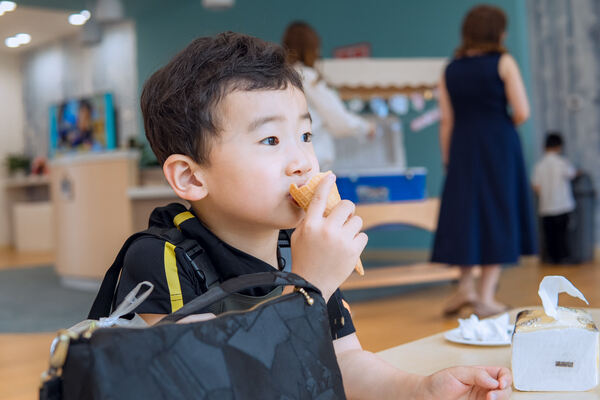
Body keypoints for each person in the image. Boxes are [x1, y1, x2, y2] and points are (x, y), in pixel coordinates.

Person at [113, 31, 512, 399]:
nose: (302, 161)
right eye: (270, 139)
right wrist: (310, 285)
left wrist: (419, 389)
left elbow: (344, 361)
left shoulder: (299, 249)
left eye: (306, 136)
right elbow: (218, 378)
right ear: (190, 176)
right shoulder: (162, 258)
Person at [431, 5, 537, 319]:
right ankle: (486, 296)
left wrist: (448, 158)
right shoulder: (503, 62)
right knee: (497, 213)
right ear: (498, 33)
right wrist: (498, 123)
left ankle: (465, 287)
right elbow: (522, 111)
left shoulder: (450, 68)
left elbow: (446, 120)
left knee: (466, 215)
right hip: (498, 144)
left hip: (463, 146)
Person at [282, 21, 375, 171]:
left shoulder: (283, 78)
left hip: (294, 159)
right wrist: (366, 127)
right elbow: (338, 119)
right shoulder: (308, 77)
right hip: (314, 160)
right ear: (312, 48)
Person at [532, 133, 577, 264]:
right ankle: (563, 258)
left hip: (546, 207)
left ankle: (552, 259)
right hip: (562, 206)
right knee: (562, 234)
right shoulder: (562, 162)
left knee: (549, 236)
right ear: (559, 146)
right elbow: (572, 174)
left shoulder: (539, 165)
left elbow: (535, 186)